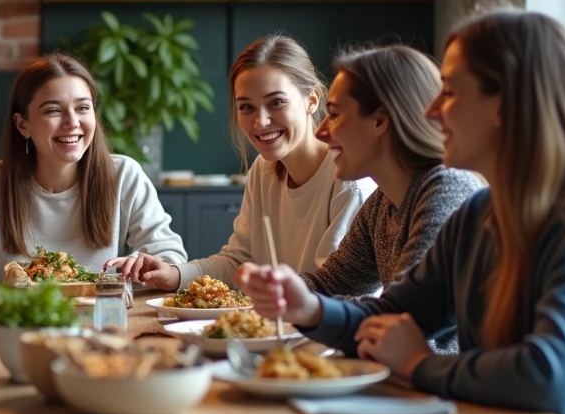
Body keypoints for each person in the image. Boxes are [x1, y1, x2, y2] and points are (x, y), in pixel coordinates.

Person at [238, 7, 565, 414]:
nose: (430, 110)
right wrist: (307, 307)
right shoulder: (480, 214)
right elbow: (391, 315)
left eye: (449, 91)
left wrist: (422, 366)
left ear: (504, 104)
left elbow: (552, 379)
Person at [111, 34, 372, 289]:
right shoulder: (263, 170)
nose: (260, 122)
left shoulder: (349, 179)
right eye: (246, 107)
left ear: (312, 101)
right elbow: (239, 261)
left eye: (277, 103)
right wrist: (174, 274)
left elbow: (338, 289)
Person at [0, 53, 186, 275]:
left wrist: (148, 263)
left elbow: (171, 256)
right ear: (23, 124)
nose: (72, 122)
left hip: (97, 329)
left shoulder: (124, 175)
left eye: (82, 107)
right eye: (54, 110)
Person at [298, 45, 483, 352]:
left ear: (379, 121)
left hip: (440, 391)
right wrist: (273, 293)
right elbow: (333, 283)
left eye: (333, 114)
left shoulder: (445, 190)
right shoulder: (383, 203)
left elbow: (399, 321)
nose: (321, 132)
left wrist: (304, 305)